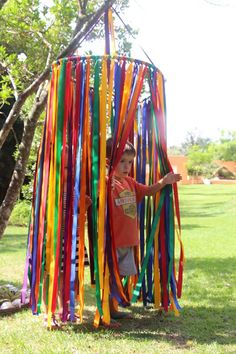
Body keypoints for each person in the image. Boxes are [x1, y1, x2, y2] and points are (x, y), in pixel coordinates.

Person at [106, 138, 182, 321]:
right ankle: (109, 309)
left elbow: (148, 191)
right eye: (122, 161)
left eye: (130, 162)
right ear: (109, 162)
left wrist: (164, 182)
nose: (126, 166)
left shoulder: (130, 182)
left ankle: (115, 304)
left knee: (122, 273)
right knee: (111, 275)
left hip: (128, 240)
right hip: (113, 240)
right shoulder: (108, 182)